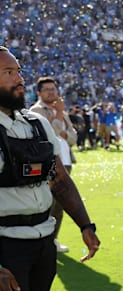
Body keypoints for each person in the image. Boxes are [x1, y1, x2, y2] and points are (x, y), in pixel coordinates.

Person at [0, 46, 100, 291]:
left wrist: (85, 224)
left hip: (42, 246)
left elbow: (59, 180)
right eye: (9, 72)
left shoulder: (36, 123)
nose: (20, 79)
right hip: (7, 247)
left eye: (18, 71)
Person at [29, 76, 77, 253]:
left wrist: (65, 132)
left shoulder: (62, 112)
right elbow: (47, 132)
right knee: (46, 203)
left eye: (53, 89)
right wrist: (58, 118)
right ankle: (42, 241)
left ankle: (53, 240)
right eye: (47, 89)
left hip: (65, 162)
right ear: (39, 93)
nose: (51, 92)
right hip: (47, 162)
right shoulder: (35, 111)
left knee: (61, 203)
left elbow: (73, 136)